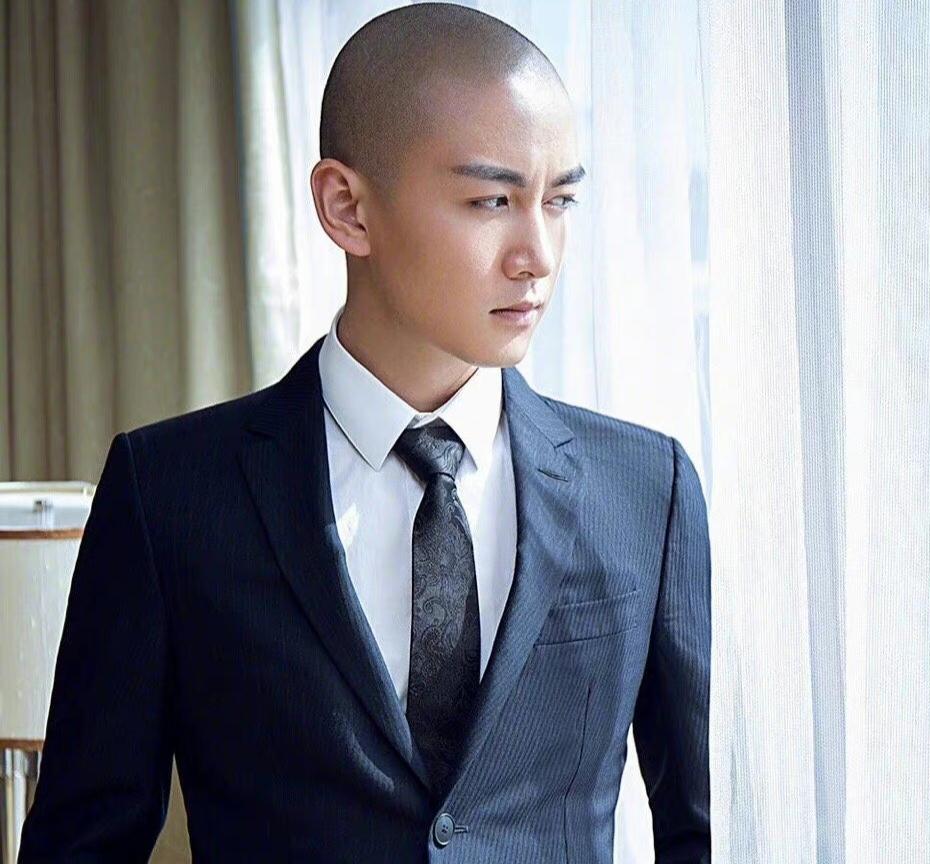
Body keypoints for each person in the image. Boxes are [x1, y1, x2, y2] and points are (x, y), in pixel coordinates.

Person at [18, 3, 711, 862]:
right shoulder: (170, 494)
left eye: (559, 200)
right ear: (346, 207)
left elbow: (705, 830)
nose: (537, 254)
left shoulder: (646, 488)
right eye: (492, 200)